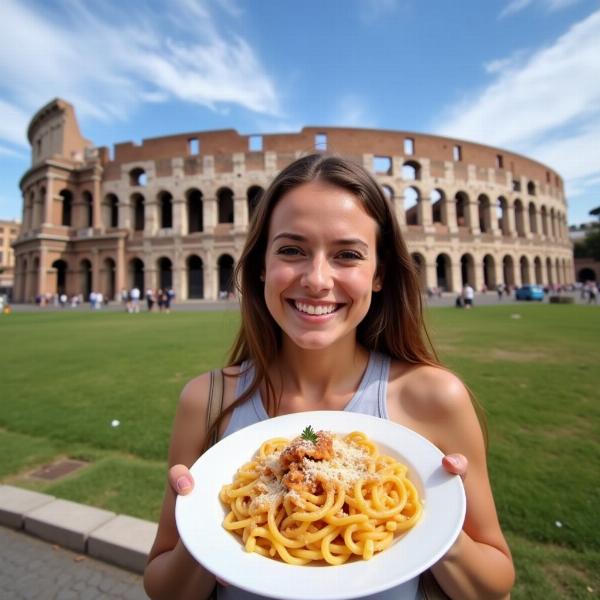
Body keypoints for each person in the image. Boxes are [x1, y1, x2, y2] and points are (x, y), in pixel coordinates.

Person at [143, 155, 515, 600]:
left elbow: (495, 584)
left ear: (378, 275)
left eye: (347, 255)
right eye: (292, 250)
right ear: (261, 265)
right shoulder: (207, 399)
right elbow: (162, 587)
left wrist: (436, 527)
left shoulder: (433, 398)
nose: (317, 280)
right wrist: (201, 539)